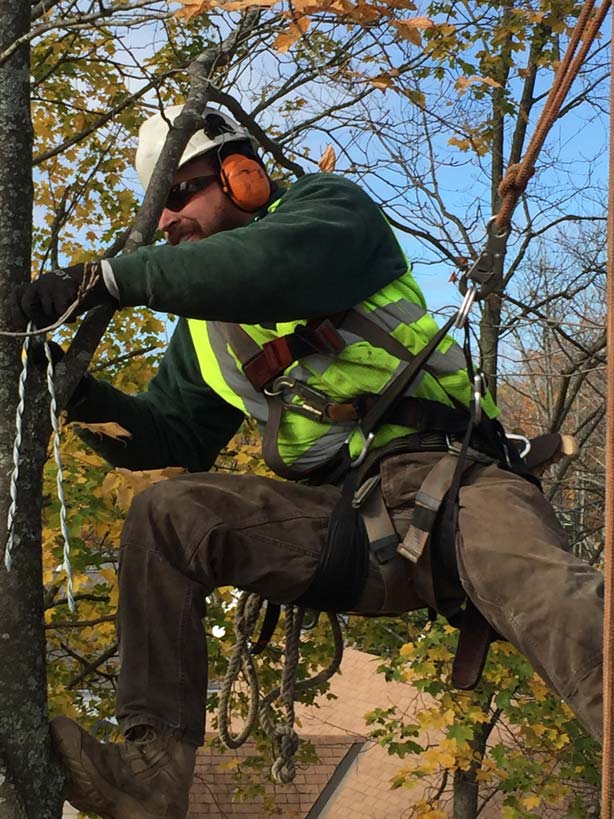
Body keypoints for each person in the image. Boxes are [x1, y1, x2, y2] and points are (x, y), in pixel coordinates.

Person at [11, 105, 604, 819]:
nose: (166, 222)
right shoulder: (205, 334)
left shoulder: (332, 216)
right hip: (348, 524)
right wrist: (71, 389)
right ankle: (150, 771)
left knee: (551, 594)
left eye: (177, 194)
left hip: (458, 482)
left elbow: (271, 265)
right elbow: (169, 435)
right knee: (167, 516)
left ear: (242, 175)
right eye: (156, 210)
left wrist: (109, 278)